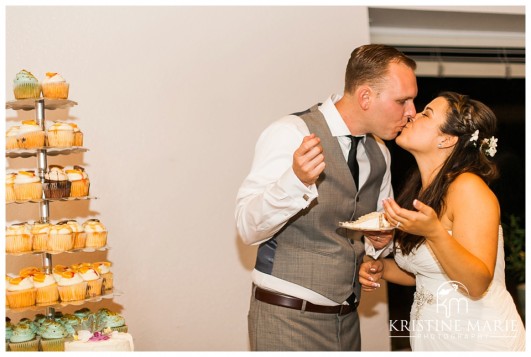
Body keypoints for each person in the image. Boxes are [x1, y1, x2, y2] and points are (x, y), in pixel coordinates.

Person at [235, 44, 417, 351]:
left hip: (347, 322)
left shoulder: (380, 154)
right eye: (403, 101)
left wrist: (378, 245)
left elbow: (369, 237)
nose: (411, 112)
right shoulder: (290, 133)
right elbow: (247, 228)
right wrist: (295, 181)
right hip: (286, 319)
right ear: (365, 97)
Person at [359, 91, 526, 351]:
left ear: (446, 139)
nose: (412, 114)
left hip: (478, 340)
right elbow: (429, 273)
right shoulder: (423, 191)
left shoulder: (468, 188)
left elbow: (476, 283)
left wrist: (434, 233)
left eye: (426, 113)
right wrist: (382, 268)